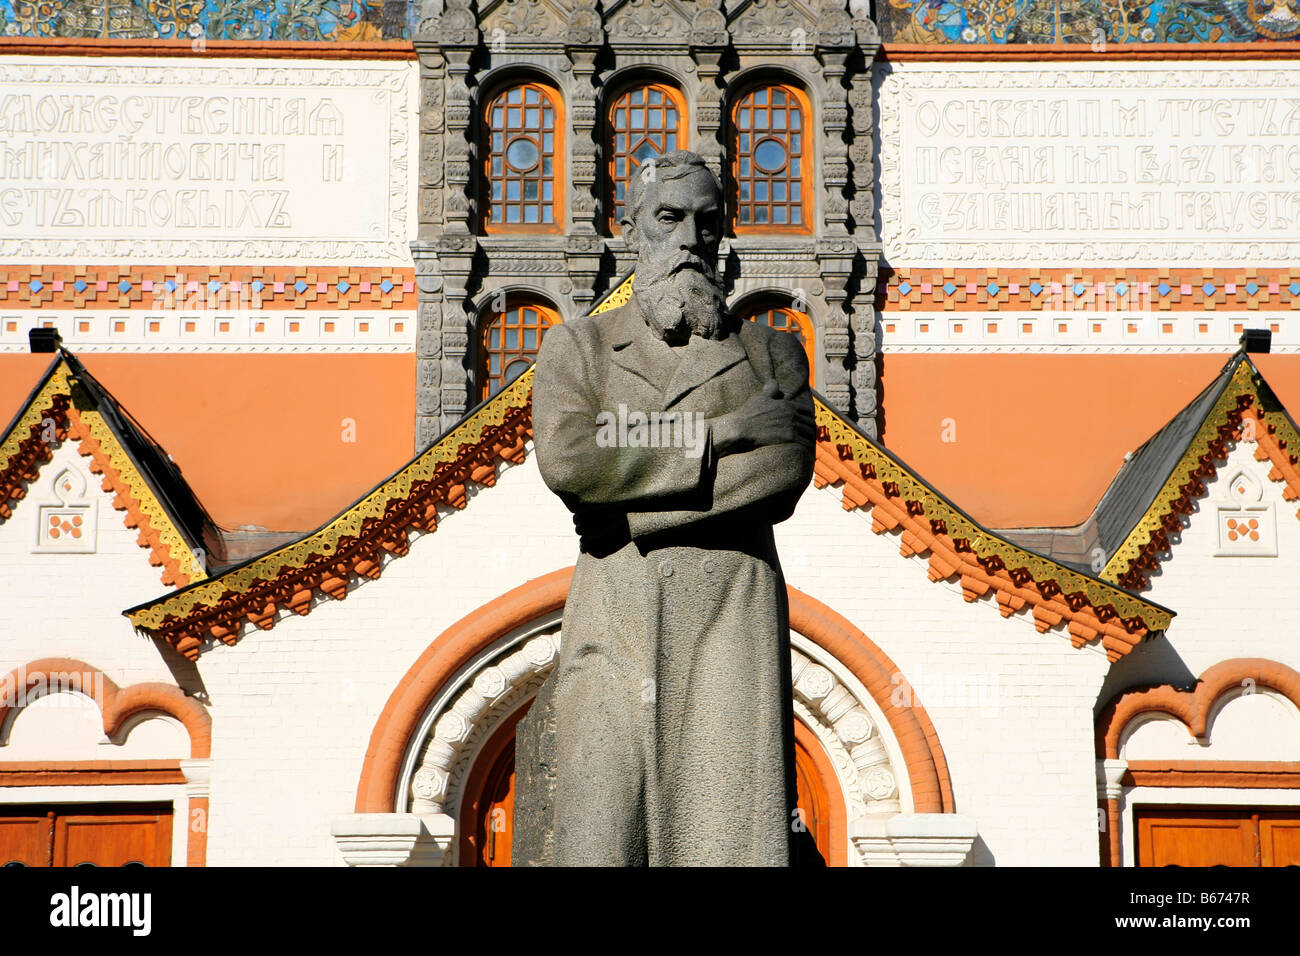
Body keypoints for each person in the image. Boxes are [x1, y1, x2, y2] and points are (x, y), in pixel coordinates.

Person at [513, 150, 817, 866]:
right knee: (601, 832)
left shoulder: (772, 353)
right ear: (632, 229)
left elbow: (781, 474)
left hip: (730, 626)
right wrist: (727, 432)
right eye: (669, 218)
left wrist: (620, 510)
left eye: (706, 223)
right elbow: (572, 462)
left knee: (729, 834)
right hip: (615, 617)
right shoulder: (579, 347)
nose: (689, 239)